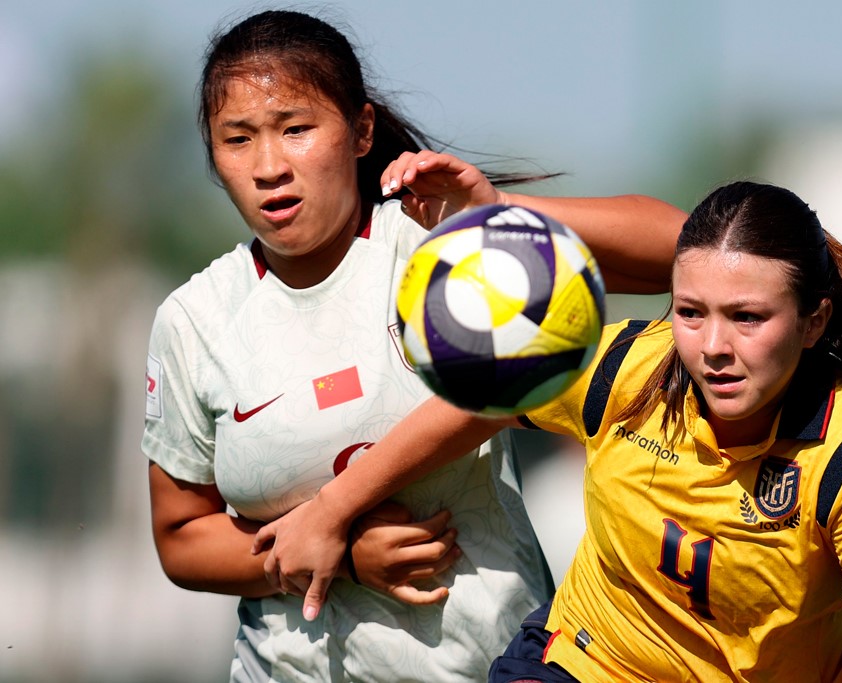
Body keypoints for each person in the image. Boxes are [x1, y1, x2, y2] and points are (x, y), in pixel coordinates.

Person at [142, 9, 685, 683]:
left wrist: (501, 217)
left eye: (296, 129)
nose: (268, 166)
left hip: (489, 663)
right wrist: (337, 553)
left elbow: (686, 256)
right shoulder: (195, 319)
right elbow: (180, 537)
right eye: (238, 139)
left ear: (361, 130)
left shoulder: (435, 248)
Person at [255, 179, 842, 681]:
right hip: (583, 662)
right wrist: (333, 505)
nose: (712, 346)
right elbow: (489, 394)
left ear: (814, 320)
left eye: (748, 317)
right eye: (691, 311)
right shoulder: (629, 367)